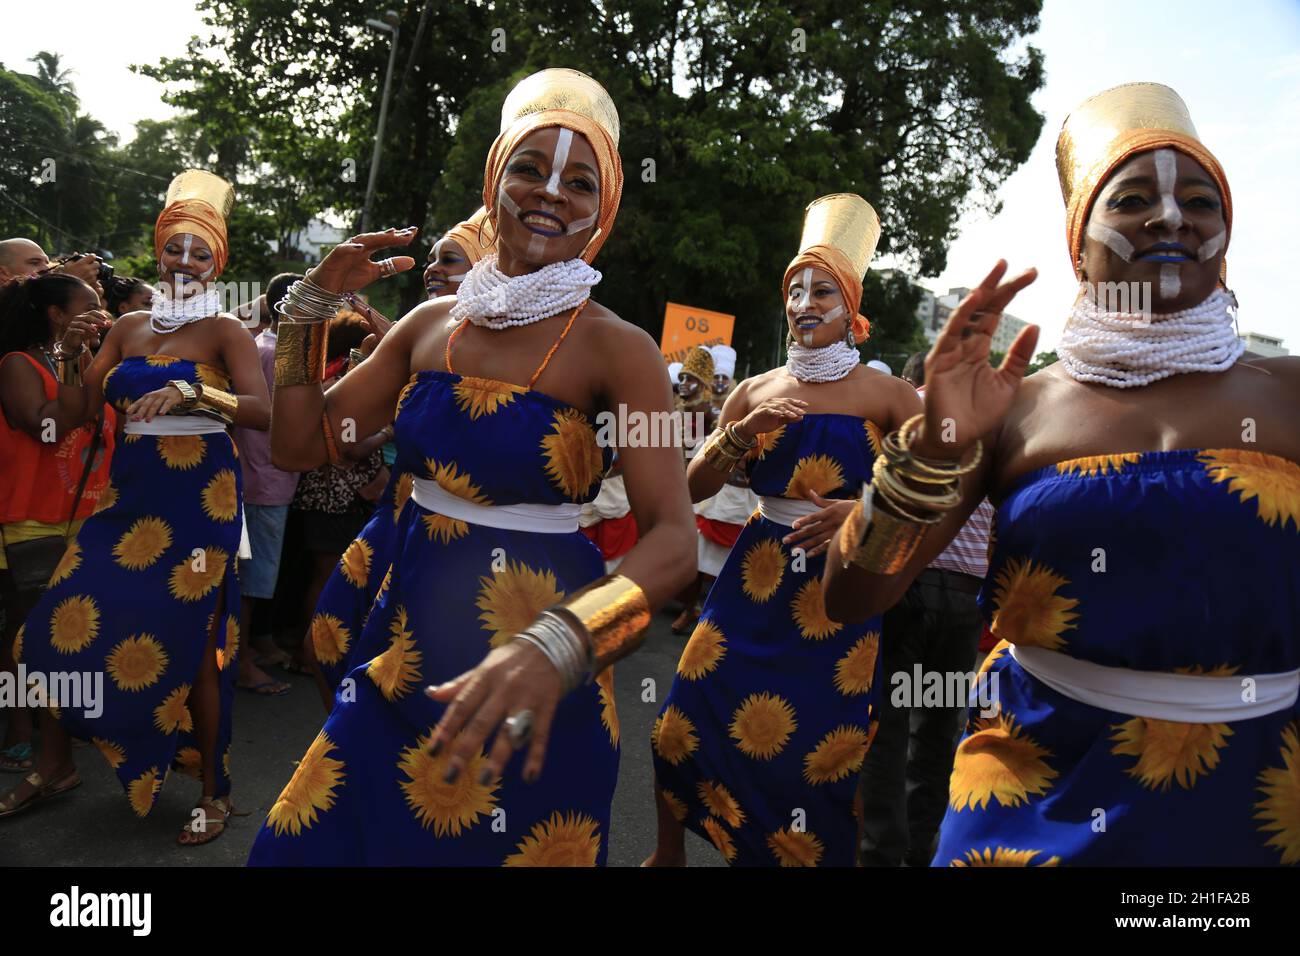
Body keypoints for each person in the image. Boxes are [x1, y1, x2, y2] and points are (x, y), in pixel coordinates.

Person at [825, 83, 1300, 866]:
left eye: (1201, 201)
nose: (1172, 218)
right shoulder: (1017, 408)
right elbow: (851, 596)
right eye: (1134, 198)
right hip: (1030, 794)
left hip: (1253, 804)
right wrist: (936, 446)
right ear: (1081, 243)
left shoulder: (1287, 393)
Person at [247, 68, 695, 866]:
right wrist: (308, 308)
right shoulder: (427, 325)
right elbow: (303, 445)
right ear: (495, 179)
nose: (551, 192)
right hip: (402, 637)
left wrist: (561, 644)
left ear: (604, 209)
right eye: (529, 168)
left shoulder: (620, 350)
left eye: (579, 181)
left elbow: (672, 541)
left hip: (538, 666)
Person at [646, 194, 924, 867]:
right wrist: (740, 434)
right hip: (754, 578)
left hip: (843, 591)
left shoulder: (891, 397)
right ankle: (667, 855)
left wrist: (865, 513)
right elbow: (688, 492)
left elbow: (935, 501)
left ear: (850, 304)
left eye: (821, 289)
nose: (804, 301)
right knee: (682, 720)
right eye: (794, 288)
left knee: (824, 753)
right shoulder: (752, 390)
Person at [0, 171, 270, 847]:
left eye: (199, 252)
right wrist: (68, 357)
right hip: (126, 499)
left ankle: (216, 791)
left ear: (218, 263)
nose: (184, 261)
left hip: (200, 502)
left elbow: (269, 414)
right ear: (159, 252)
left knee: (196, 647)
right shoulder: (125, 326)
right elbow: (71, 418)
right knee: (47, 630)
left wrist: (196, 397)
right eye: (173, 248)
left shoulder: (225, 329)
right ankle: (57, 765)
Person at [309, 214, 495, 705]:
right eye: (429, 260)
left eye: (448, 260)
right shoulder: (406, 338)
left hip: (466, 546)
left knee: (417, 677)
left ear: (487, 266)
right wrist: (311, 305)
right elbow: (321, 442)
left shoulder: (513, 355)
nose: (432, 269)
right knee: (332, 643)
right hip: (394, 519)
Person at [857, 349, 995, 867]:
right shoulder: (996, 426)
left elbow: (875, 491)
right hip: (965, 602)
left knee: (888, 729)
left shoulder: (906, 408)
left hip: (905, 586)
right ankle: (919, 854)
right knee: (937, 736)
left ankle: (878, 855)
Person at [0, 274, 117, 774]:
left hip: (87, 515)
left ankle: (61, 730)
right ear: (55, 314)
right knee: (24, 633)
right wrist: (73, 364)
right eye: (88, 306)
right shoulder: (17, 364)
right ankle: (19, 727)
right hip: (32, 517)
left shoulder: (88, 363)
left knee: (69, 632)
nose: (100, 312)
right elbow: (48, 425)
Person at [231, 271, 301, 696]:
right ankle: (237, 663)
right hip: (264, 479)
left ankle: (248, 650)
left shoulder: (268, 346)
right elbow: (284, 416)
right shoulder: (276, 353)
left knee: (255, 576)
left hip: (265, 476)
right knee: (250, 581)